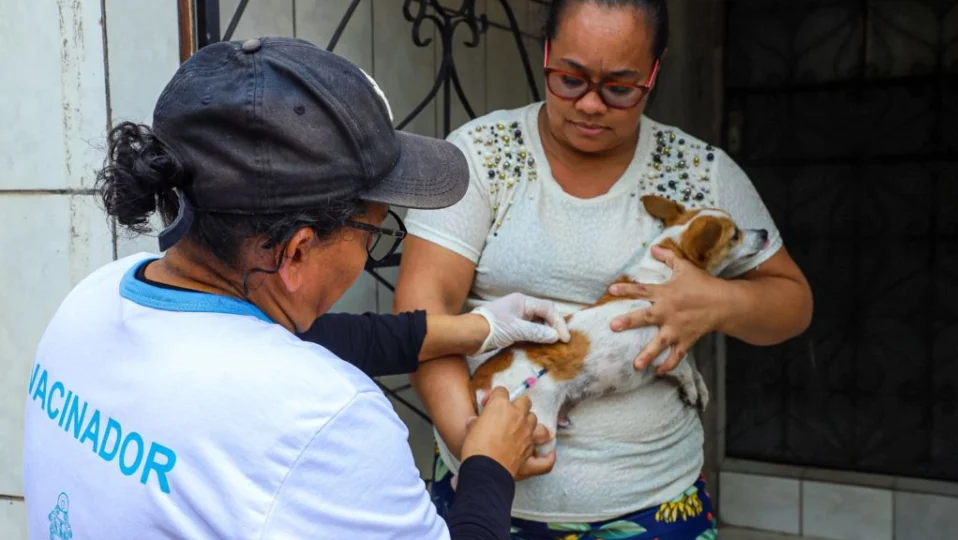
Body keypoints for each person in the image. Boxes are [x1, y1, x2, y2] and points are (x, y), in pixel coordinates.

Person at [22, 37, 570, 540]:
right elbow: (291, 379)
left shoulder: (94, 297)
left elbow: (297, 342)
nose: (369, 253)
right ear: (297, 251)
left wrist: (480, 327)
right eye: (374, 233)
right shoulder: (329, 417)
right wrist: (488, 467)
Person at [395, 0, 815, 538]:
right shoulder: (483, 155)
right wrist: (473, 445)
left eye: (619, 88)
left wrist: (718, 302)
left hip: (656, 504)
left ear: (654, 73)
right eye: (570, 79)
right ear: (546, 54)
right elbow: (420, 312)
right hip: (492, 502)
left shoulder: (699, 172)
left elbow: (793, 302)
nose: (591, 104)